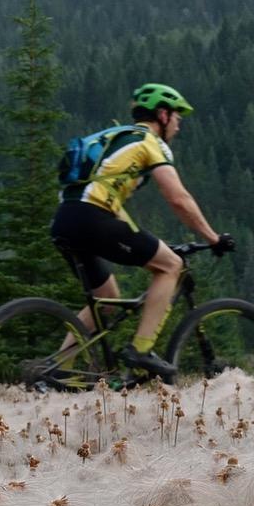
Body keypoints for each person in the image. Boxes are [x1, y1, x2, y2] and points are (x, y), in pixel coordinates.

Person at [50, 82, 234, 381]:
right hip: (93, 217)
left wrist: (153, 243)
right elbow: (178, 198)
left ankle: (57, 370)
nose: (178, 125)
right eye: (176, 118)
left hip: (65, 219)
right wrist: (212, 238)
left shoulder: (115, 138)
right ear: (162, 115)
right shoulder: (150, 142)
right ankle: (141, 351)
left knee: (106, 301)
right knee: (171, 266)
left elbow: (109, 201)